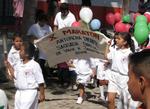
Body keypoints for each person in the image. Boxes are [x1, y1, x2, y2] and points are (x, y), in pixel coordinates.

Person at [5, 41, 45, 109]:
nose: (19, 52)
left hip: (30, 92)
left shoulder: (34, 65)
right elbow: (15, 75)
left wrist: (42, 94)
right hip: (19, 92)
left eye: (21, 51)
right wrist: (8, 65)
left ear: (27, 54)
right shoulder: (19, 64)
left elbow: (40, 81)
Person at [105, 32, 138, 109]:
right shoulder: (115, 50)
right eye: (115, 38)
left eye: (118, 39)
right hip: (113, 77)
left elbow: (132, 69)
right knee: (110, 100)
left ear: (125, 42)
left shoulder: (129, 54)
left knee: (123, 104)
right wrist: (107, 46)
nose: (116, 40)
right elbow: (107, 56)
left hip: (124, 79)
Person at [27, 13, 52, 81]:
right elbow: (29, 36)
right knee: (37, 64)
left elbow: (51, 37)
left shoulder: (48, 27)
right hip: (36, 49)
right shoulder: (34, 27)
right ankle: (37, 79)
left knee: (42, 64)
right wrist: (34, 42)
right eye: (42, 21)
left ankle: (42, 78)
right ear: (39, 20)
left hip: (44, 49)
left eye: (45, 21)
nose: (43, 23)